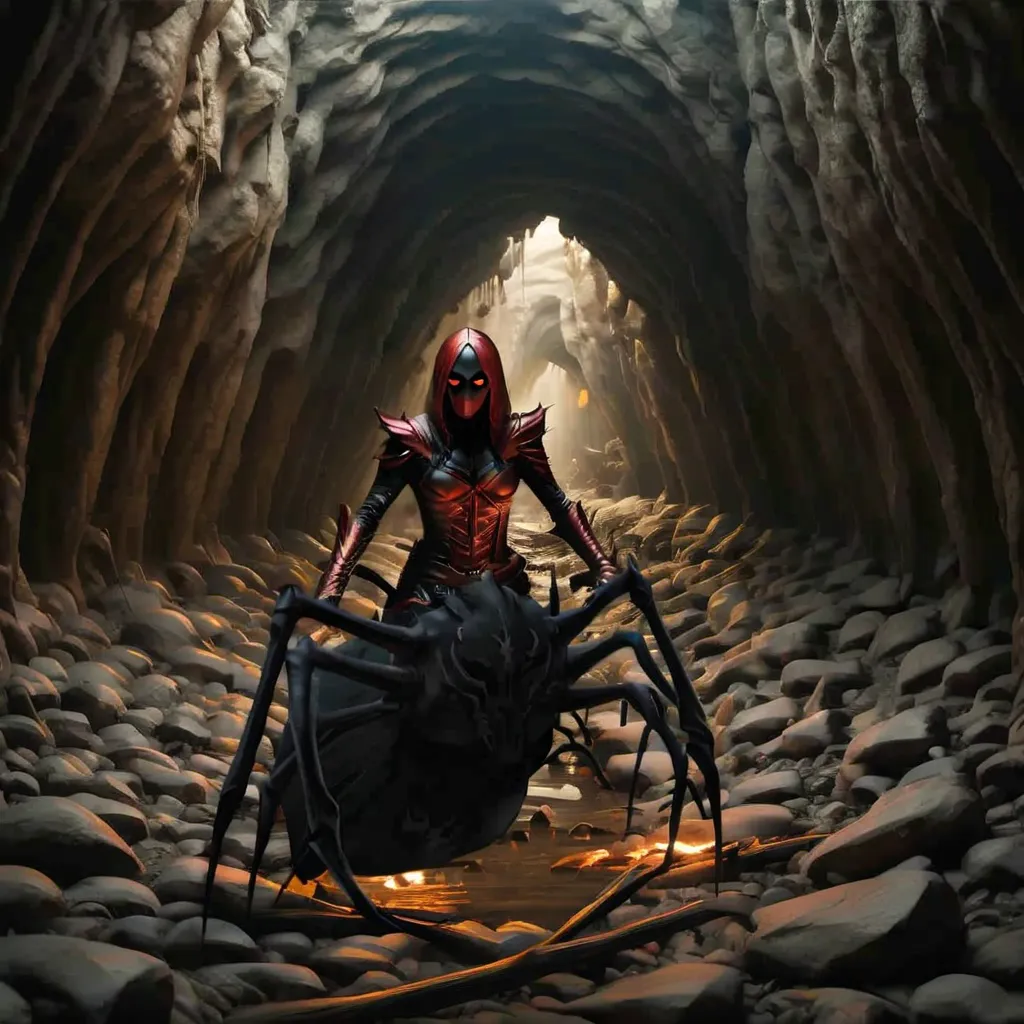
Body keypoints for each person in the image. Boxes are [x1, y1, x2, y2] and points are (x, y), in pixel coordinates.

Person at [315, 326, 616, 617]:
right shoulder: (414, 441)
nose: (467, 395)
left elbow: (559, 506)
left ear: (492, 382)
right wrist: (333, 584)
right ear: (442, 381)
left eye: (478, 383)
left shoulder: (515, 440)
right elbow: (369, 514)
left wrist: (602, 564)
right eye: (456, 383)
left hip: (500, 585)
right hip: (429, 591)